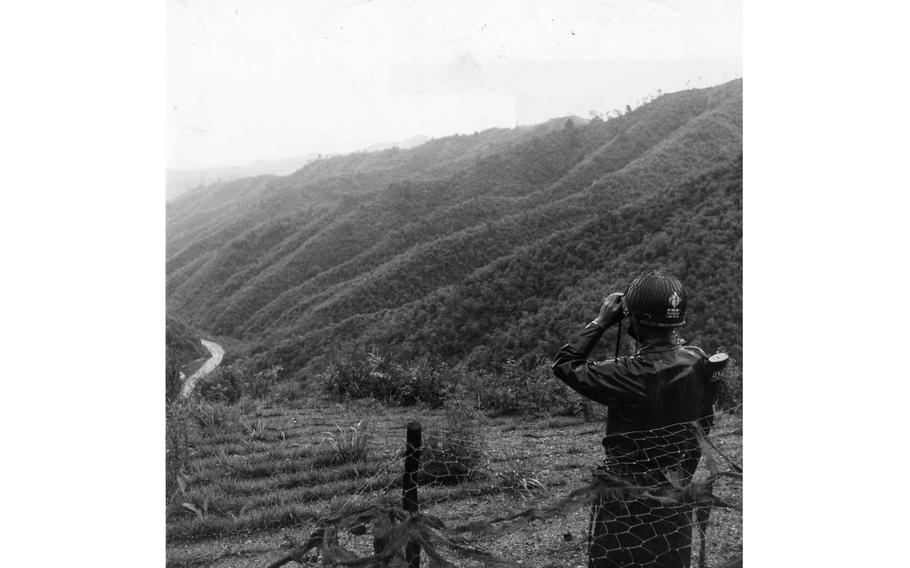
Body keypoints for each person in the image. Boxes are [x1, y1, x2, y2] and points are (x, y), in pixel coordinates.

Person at [552, 270, 725, 568]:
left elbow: (565, 364)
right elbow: (702, 428)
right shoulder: (700, 360)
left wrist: (602, 321)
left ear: (632, 321)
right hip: (675, 495)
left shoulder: (630, 373)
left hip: (627, 503)